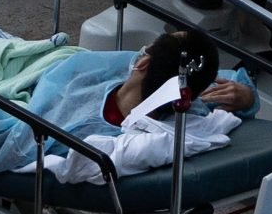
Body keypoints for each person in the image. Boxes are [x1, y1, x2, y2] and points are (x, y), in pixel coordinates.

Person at [28, 26, 258, 134]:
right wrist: (247, 97)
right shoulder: (187, 99)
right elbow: (228, 83)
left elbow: (17, 143)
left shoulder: (79, 124)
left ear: (142, 63)